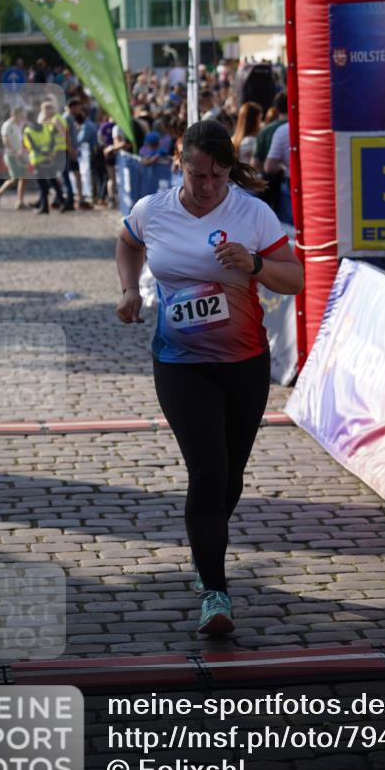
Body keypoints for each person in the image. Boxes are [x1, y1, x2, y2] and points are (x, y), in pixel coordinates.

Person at [115, 120, 303, 636]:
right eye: (199, 175)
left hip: (244, 362)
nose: (208, 187)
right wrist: (130, 290)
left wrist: (257, 263)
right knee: (208, 470)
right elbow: (127, 244)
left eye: (219, 177)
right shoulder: (153, 210)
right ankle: (215, 592)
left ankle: (205, 546)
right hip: (180, 364)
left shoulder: (252, 212)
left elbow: (296, 278)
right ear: (181, 162)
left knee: (231, 477)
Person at [0, 105, 28, 209]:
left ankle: (19, 201)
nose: (21, 117)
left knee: (23, 177)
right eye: (19, 115)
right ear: (13, 114)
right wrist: (14, 151)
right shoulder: (7, 125)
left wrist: (22, 150)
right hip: (11, 155)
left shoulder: (19, 125)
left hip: (20, 154)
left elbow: (20, 139)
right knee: (15, 178)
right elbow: (5, 140)